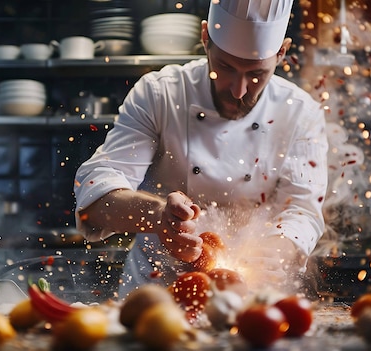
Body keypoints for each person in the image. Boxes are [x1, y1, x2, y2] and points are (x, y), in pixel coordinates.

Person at [74, 0, 328, 296]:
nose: (239, 90)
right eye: (225, 67)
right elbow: (96, 197)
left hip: (252, 290)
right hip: (156, 292)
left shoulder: (300, 112)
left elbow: (302, 209)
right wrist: (159, 217)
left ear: (281, 53)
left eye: (256, 74)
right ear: (205, 38)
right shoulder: (160, 94)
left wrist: (277, 247)